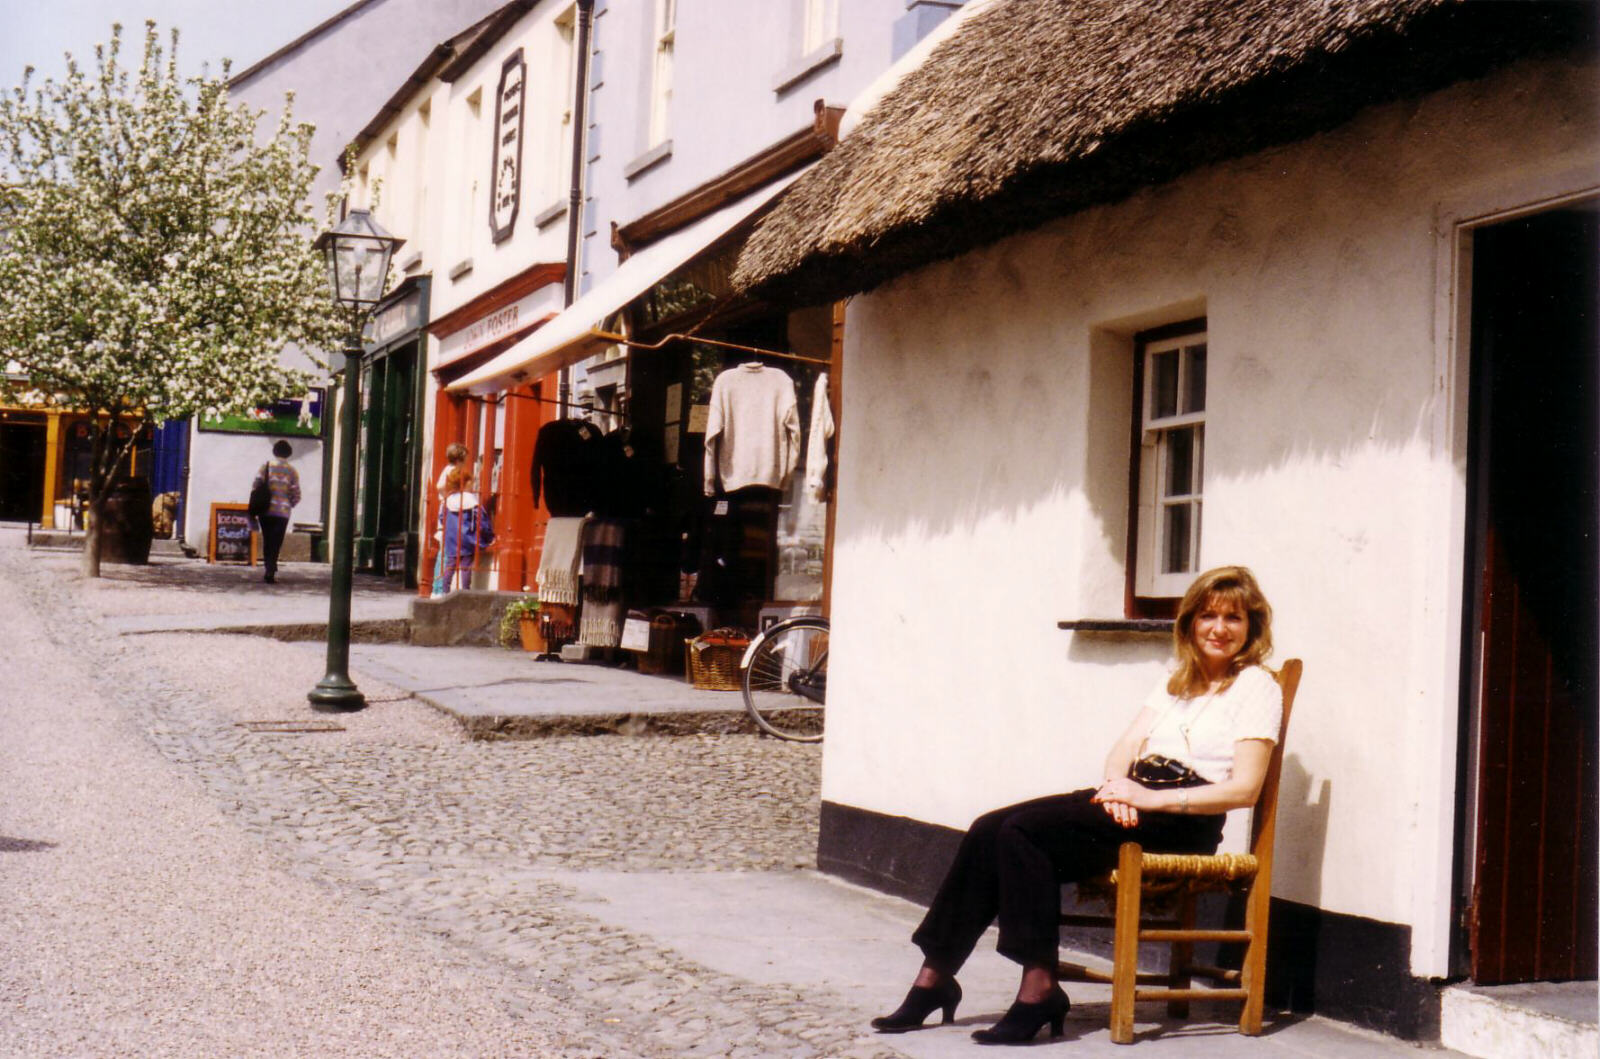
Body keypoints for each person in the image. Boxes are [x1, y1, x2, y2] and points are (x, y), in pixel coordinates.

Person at [873, 566, 1283, 1044]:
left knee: (1022, 834)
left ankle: (1039, 987)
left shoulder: (1257, 687)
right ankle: (935, 978)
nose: (1219, 628)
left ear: (1252, 627)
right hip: (1134, 797)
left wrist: (1149, 797)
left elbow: (1244, 789)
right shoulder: (1179, 681)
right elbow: (1125, 746)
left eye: (1233, 618)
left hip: (1183, 818)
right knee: (989, 827)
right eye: (1208, 615)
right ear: (1190, 621)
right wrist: (1116, 786)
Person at [437, 465, 493, 593]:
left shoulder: (447, 500)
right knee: (466, 567)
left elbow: (442, 518)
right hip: (467, 537)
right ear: (466, 482)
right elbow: (482, 520)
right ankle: (465, 591)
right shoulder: (471, 500)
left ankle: (445, 591)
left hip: (451, 538)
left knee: (450, 566)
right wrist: (489, 537)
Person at [251, 440, 301, 584]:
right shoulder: (292, 471)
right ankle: (272, 566)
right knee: (276, 540)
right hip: (282, 512)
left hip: (266, 510)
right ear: (289, 453)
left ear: (275, 452)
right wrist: (290, 503)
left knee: (267, 539)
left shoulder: (266, 466)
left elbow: (256, 484)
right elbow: (295, 491)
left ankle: (269, 567)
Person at [431, 443, 470, 595]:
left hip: (451, 509)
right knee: (445, 551)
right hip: (449, 511)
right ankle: (439, 587)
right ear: (460, 457)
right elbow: (439, 486)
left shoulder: (452, 469)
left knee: (447, 550)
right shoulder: (451, 470)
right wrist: (451, 494)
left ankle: (441, 587)